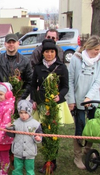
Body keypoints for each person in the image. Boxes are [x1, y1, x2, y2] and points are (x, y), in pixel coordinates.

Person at [0, 33, 32, 167]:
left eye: (13, 42)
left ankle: (14, 155)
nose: (11, 45)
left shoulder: (25, 61)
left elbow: (29, 81)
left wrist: (21, 98)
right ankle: (0, 155)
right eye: (9, 42)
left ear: (18, 43)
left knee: (14, 129)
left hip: (17, 102)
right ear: (5, 44)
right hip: (1, 102)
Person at [31, 39, 70, 173]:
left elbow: (65, 87)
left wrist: (60, 96)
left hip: (55, 105)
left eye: (52, 51)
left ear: (55, 53)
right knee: (43, 132)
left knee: (53, 133)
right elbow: (32, 86)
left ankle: (52, 162)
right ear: (43, 53)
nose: (49, 54)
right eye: (47, 51)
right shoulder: (38, 67)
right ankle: (47, 160)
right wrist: (34, 99)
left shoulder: (61, 67)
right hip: (42, 105)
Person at [67, 35, 100, 170]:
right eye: (96, 49)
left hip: (93, 100)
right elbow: (70, 80)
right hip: (78, 100)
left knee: (92, 128)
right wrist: (71, 100)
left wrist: (89, 98)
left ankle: (88, 151)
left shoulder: (99, 61)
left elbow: (98, 81)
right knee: (80, 128)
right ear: (89, 47)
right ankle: (78, 156)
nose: (98, 52)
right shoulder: (76, 59)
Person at [9, 100, 42, 175]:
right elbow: (11, 134)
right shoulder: (16, 123)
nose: (23, 115)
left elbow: (39, 133)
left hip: (30, 152)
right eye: (21, 113)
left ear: (29, 112)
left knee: (29, 169)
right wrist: (8, 128)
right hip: (18, 150)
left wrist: (38, 138)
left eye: (25, 112)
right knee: (17, 169)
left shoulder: (35, 124)